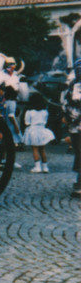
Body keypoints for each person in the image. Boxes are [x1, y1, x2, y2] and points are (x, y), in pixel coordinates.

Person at [23, 92, 55, 173]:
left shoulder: (29, 112)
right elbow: (45, 121)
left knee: (35, 149)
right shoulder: (45, 111)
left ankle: (37, 167)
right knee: (42, 150)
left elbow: (27, 122)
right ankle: (45, 167)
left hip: (33, 130)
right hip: (42, 130)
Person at [62, 59, 81, 197]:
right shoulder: (73, 85)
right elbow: (66, 102)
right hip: (75, 125)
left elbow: (66, 103)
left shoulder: (73, 85)